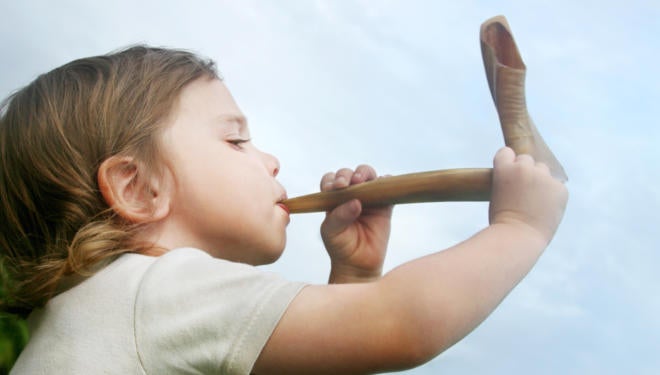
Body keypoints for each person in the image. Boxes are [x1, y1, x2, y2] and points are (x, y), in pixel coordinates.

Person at [0, 45, 568, 374]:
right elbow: (402, 324)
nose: (269, 161)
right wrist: (520, 227)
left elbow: (344, 353)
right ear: (137, 187)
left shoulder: (93, 314)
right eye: (235, 141)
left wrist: (354, 276)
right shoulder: (152, 291)